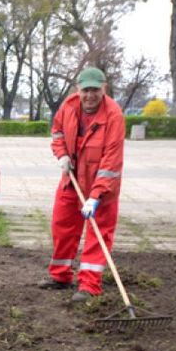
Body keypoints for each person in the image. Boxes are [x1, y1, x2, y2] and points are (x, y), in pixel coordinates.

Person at [40, 66, 125, 302]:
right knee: (62, 226)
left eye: (95, 90)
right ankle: (60, 275)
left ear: (103, 89)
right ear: (78, 89)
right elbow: (57, 132)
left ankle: (89, 285)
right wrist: (62, 154)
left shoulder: (113, 116)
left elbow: (112, 161)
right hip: (72, 181)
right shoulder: (69, 106)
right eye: (85, 90)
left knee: (98, 236)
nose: (90, 96)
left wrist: (96, 196)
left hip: (102, 190)